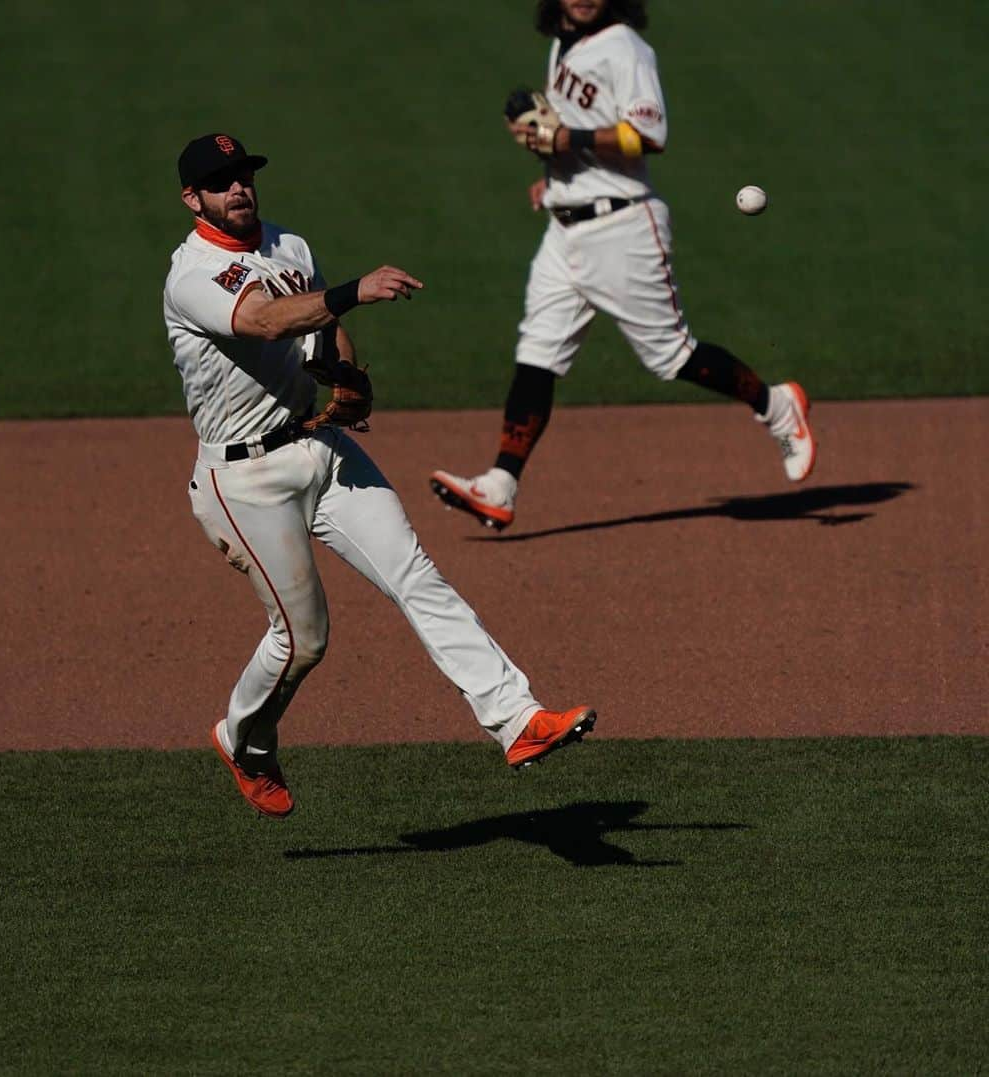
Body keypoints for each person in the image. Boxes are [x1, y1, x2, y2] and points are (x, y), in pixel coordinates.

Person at [163, 132, 596, 817]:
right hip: (244, 481)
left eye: (243, 174)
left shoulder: (289, 246)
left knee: (416, 573)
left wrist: (348, 373)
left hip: (322, 447)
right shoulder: (191, 276)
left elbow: (320, 328)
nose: (238, 188)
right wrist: (354, 292)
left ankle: (516, 718)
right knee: (303, 639)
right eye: (220, 182)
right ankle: (242, 740)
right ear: (193, 198)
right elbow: (268, 321)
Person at [430, 0, 816, 532]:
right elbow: (573, 130)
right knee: (537, 350)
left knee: (671, 356)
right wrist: (558, 175)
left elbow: (648, 134)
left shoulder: (625, 48)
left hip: (624, 229)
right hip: (565, 229)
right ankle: (501, 483)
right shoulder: (562, 43)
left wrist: (568, 141)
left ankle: (777, 406)